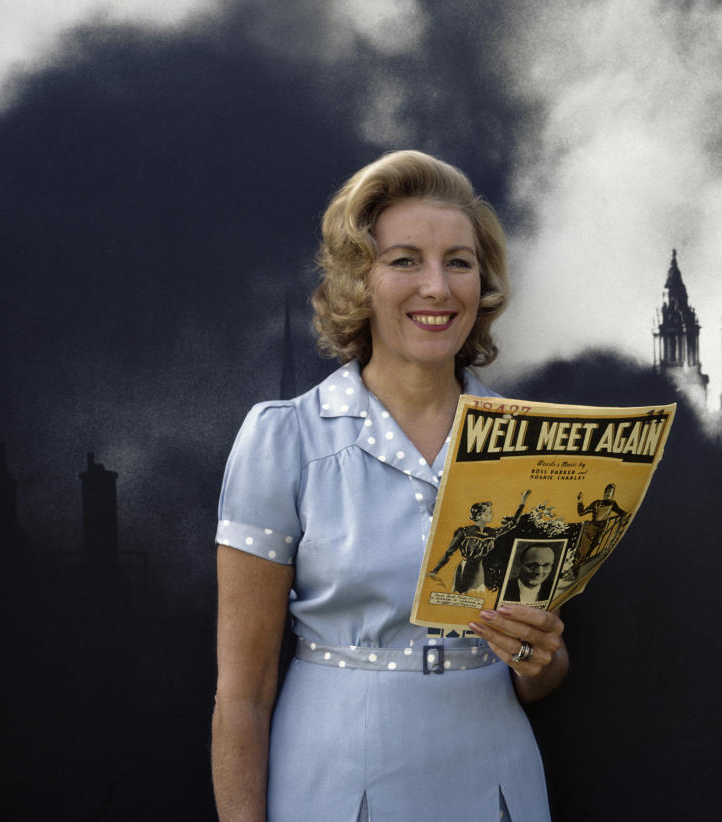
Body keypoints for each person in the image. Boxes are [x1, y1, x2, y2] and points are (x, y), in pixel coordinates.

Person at [211, 151, 567, 822]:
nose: (437, 287)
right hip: (335, 781)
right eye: (405, 260)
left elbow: (540, 678)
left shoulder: (531, 445)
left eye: (458, 262)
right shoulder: (284, 440)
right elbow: (244, 692)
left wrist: (539, 657)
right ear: (358, 281)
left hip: (497, 782)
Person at [429, 490, 530, 593]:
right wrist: (435, 570)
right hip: (465, 568)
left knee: (477, 595)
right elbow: (448, 553)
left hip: (480, 568)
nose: (491, 515)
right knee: (462, 594)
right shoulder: (464, 532)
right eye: (488, 513)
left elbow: (512, 524)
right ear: (480, 515)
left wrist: (522, 504)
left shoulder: (492, 532)